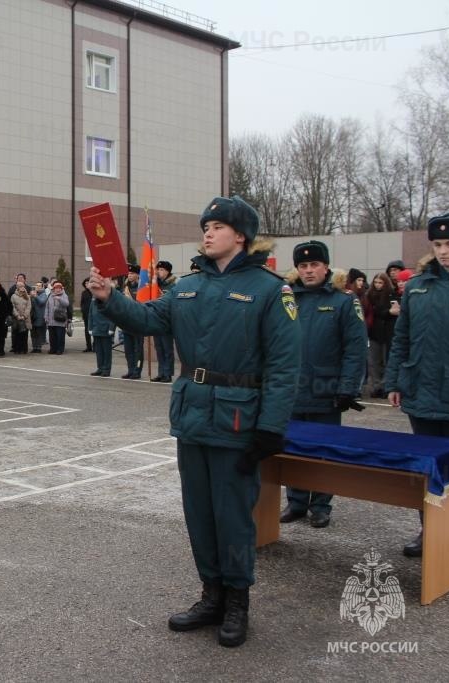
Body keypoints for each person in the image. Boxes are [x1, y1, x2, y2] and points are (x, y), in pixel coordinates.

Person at [89, 195, 300, 648]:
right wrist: (109, 298)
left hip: (239, 418)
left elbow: (285, 366)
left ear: (240, 235)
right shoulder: (188, 287)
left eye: (218, 226)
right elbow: (146, 319)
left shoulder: (270, 290)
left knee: (233, 515)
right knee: (199, 513)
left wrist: (271, 427)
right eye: (206, 226)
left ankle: (237, 601)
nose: (207, 232)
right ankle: (211, 595)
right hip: (192, 412)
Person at [385, 213, 449, 558]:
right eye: (437, 244)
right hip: (420, 391)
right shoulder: (418, 285)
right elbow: (401, 337)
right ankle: (428, 529)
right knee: (426, 468)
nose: (443, 250)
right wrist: (393, 380)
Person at [279, 241, 367, 529]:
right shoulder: (287, 298)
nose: (308, 270)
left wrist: (348, 388)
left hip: (326, 390)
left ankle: (320, 505)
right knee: (292, 449)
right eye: (303, 266)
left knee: (324, 451)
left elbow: (355, 349)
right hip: (292, 388)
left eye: (314, 265)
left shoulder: (344, 301)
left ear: (326, 266)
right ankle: (296, 501)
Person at [364, 273, 398, 398]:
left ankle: (384, 386)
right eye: (376, 282)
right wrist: (388, 312)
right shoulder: (370, 295)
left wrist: (388, 312)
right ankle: (375, 386)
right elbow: (373, 312)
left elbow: (395, 311)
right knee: (373, 362)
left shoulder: (391, 295)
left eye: (380, 282)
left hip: (388, 333)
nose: (378, 285)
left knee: (386, 361)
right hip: (374, 332)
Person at [152, 261, 176, 382]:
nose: (159, 272)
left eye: (161, 270)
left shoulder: (173, 285)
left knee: (167, 349)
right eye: (158, 270)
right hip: (156, 319)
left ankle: (168, 373)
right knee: (159, 348)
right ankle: (161, 372)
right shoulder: (155, 285)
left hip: (167, 321)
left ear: (167, 271)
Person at [120, 266, 145, 379]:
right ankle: (130, 369)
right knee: (128, 349)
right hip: (126, 321)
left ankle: (137, 371)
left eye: (132, 273)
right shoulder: (125, 287)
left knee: (137, 349)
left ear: (138, 275)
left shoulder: (142, 288)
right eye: (128, 273)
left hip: (138, 321)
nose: (129, 275)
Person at [88, 294, 115, 377]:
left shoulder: (109, 300)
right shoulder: (93, 301)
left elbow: (113, 315)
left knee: (106, 352)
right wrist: (90, 327)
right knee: (99, 351)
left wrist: (111, 328)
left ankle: (106, 369)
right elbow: (90, 315)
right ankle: (100, 368)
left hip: (106, 329)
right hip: (96, 329)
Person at [44, 281, 70, 354]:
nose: (57, 289)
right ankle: (53, 349)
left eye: (59, 288)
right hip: (51, 321)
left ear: (61, 289)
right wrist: (46, 317)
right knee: (52, 337)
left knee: (60, 337)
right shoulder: (50, 296)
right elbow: (47, 307)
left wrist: (59, 299)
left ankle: (60, 349)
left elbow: (67, 304)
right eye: (56, 288)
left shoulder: (64, 295)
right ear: (54, 289)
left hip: (60, 320)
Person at [9, 282, 32, 354]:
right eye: (20, 286)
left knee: (24, 334)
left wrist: (24, 315)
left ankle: (24, 349)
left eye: (23, 286)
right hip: (16, 319)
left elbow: (29, 307)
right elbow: (12, 307)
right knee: (16, 334)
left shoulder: (27, 296)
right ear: (17, 287)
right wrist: (17, 315)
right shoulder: (13, 296)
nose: (22, 287)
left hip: (25, 318)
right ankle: (17, 349)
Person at [30, 281, 49, 353]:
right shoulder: (33, 294)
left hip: (40, 317)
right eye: (36, 285)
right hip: (33, 317)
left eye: (39, 286)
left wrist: (35, 296)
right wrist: (30, 297)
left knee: (38, 333)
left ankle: (38, 347)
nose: (37, 287)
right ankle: (34, 347)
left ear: (42, 287)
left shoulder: (44, 295)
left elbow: (41, 302)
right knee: (33, 333)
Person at [80, 278, 94, 353]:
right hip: (86, 314)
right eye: (85, 283)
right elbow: (82, 304)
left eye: (88, 283)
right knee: (87, 330)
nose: (87, 284)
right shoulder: (84, 293)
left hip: (95, 314)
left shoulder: (95, 291)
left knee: (95, 330)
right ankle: (88, 346)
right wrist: (83, 311)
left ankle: (95, 346)